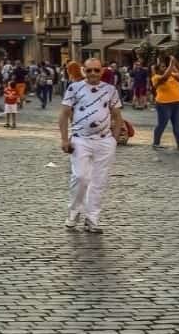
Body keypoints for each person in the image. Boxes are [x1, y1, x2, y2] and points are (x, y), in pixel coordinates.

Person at [59, 57, 122, 233]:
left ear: (102, 71)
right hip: (81, 139)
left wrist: (114, 140)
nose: (93, 73)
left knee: (98, 181)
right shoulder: (74, 88)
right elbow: (64, 114)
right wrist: (64, 139)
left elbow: (117, 115)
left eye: (96, 70)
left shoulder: (110, 90)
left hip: (104, 140)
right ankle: (74, 212)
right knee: (80, 177)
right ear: (83, 71)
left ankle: (92, 218)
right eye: (89, 70)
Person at [152, 56, 179, 150]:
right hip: (163, 104)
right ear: (158, 70)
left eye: (165, 66)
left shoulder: (173, 75)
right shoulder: (156, 77)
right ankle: (156, 143)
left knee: (177, 125)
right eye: (162, 67)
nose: (165, 68)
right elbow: (165, 77)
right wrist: (172, 63)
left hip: (176, 103)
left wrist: (177, 64)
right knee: (162, 124)